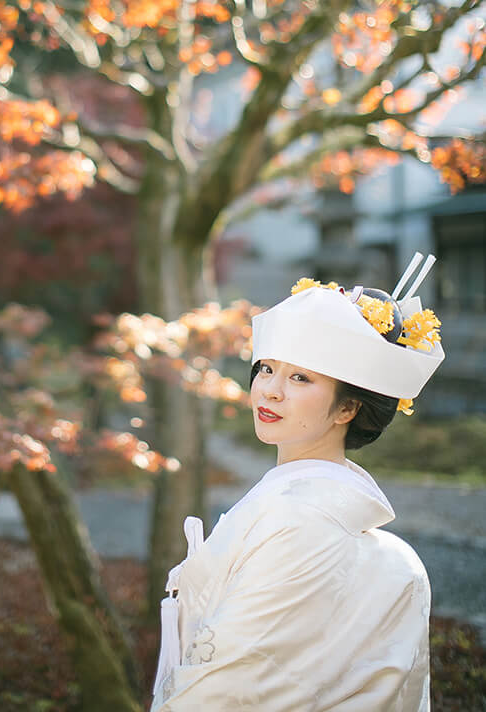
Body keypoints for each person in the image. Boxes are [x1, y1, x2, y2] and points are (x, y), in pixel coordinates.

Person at [150, 252, 444, 712]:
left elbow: (232, 683)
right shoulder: (305, 507)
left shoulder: (300, 520)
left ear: (347, 409)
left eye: (300, 377)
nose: (269, 390)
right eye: (266, 369)